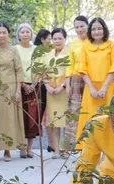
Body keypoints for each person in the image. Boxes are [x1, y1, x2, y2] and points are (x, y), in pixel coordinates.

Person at [75, 17, 114, 150]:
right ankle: (89, 153)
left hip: (108, 88)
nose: (96, 31)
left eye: (99, 28)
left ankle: (108, 153)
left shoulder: (111, 45)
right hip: (90, 89)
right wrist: (92, 88)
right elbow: (82, 69)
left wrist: (104, 87)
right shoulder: (86, 46)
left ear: (104, 30)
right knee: (90, 120)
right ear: (90, 31)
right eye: (93, 29)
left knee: (109, 119)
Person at [0, 22, 25, 161]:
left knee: (9, 119)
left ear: (8, 35)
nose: (2, 35)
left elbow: (19, 70)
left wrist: (18, 91)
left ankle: (8, 150)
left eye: (4, 32)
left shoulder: (13, 50)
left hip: (11, 87)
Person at [41, 28, 69, 159]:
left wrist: (62, 86)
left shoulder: (69, 53)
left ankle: (67, 149)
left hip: (64, 90)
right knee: (55, 121)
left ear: (65, 39)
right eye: (55, 38)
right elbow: (44, 73)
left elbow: (70, 72)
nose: (57, 41)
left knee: (66, 121)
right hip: (51, 90)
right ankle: (56, 149)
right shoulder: (48, 54)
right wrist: (47, 86)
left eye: (60, 38)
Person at [65, 15, 89, 151]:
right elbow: (69, 64)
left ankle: (88, 144)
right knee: (74, 112)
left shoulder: (93, 42)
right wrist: (68, 84)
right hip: (75, 80)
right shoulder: (73, 44)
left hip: (91, 80)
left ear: (87, 25)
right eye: (77, 27)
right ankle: (72, 146)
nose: (79, 29)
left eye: (82, 26)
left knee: (88, 111)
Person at [16, 23, 39, 158]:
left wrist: (34, 84)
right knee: (20, 117)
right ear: (18, 35)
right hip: (19, 85)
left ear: (31, 34)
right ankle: (22, 147)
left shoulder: (37, 50)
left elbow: (40, 68)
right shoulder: (15, 49)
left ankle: (30, 148)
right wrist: (23, 85)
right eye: (22, 32)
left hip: (34, 87)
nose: (25, 34)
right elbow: (15, 68)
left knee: (32, 118)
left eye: (27, 32)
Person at [33, 29, 53, 152]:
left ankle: (51, 143)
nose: (51, 42)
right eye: (49, 39)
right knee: (42, 114)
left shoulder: (52, 51)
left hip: (52, 85)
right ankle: (48, 142)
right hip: (41, 86)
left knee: (50, 114)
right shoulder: (38, 52)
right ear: (42, 40)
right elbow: (37, 70)